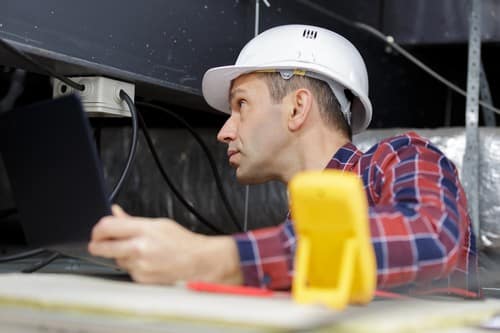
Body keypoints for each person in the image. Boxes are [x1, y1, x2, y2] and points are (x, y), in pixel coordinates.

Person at [88, 24, 478, 295]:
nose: (224, 131)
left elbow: (433, 236)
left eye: (242, 104)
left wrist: (209, 257)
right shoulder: (298, 232)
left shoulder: (400, 157)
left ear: (297, 109)